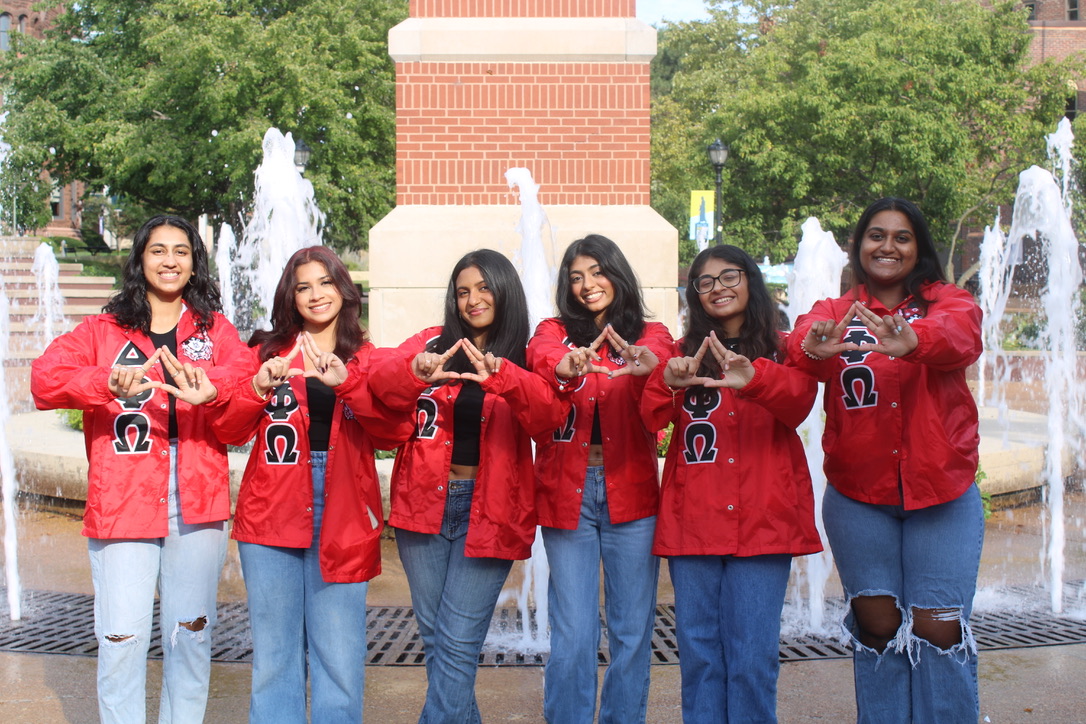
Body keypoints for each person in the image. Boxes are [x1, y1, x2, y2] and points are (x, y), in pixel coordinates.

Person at [31, 215, 247, 724]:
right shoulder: (105, 329)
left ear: (194, 263)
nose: (169, 261)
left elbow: (243, 377)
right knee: (122, 638)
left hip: (197, 501)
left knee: (190, 637)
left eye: (181, 251)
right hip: (124, 499)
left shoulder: (215, 330)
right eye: (158, 251)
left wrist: (211, 387)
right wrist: (105, 382)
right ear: (140, 259)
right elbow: (45, 378)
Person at [788, 197, 984, 723]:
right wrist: (809, 345)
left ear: (917, 247)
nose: (888, 246)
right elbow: (798, 342)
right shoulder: (836, 310)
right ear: (859, 245)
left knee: (937, 624)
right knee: (876, 625)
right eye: (877, 235)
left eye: (902, 237)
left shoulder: (949, 302)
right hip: (859, 498)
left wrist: (915, 339)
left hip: (941, 492)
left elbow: (963, 336)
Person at [368, 248, 566, 723]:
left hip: (493, 511)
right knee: (439, 644)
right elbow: (379, 379)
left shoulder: (527, 354)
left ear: (503, 290)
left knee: (456, 646)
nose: (472, 300)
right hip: (424, 506)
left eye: (482, 288)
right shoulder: (433, 344)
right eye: (462, 292)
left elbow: (548, 419)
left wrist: (505, 377)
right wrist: (413, 372)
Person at [213, 246, 406, 723]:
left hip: (342, 510)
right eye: (304, 286)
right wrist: (258, 387)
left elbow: (392, 432)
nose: (316, 294)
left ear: (343, 288)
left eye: (325, 282)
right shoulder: (265, 351)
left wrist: (347, 386)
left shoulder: (367, 357)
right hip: (272, 508)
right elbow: (228, 431)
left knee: (339, 658)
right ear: (291, 296)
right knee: (275, 657)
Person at [641, 244, 822, 723]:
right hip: (692, 522)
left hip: (764, 524)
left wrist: (755, 377)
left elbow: (800, 403)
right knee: (699, 655)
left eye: (729, 276)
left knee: (751, 658)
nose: (717, 288)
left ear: (750, 282)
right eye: (705, 281)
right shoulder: (683, 356)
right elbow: (650, 418)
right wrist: (666, 381)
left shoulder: (784, 349)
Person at [526, 234, 673, 723]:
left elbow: (659, 364)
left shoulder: (649, 334)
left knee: (632, 630)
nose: (587, 285)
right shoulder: (553, 331)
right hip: (568, 494)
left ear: (617, 273)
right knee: (573, 632)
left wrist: (649, 368)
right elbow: (541, 355)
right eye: (576, 277)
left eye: (596, 271)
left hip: (630, 493)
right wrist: (565, 367)